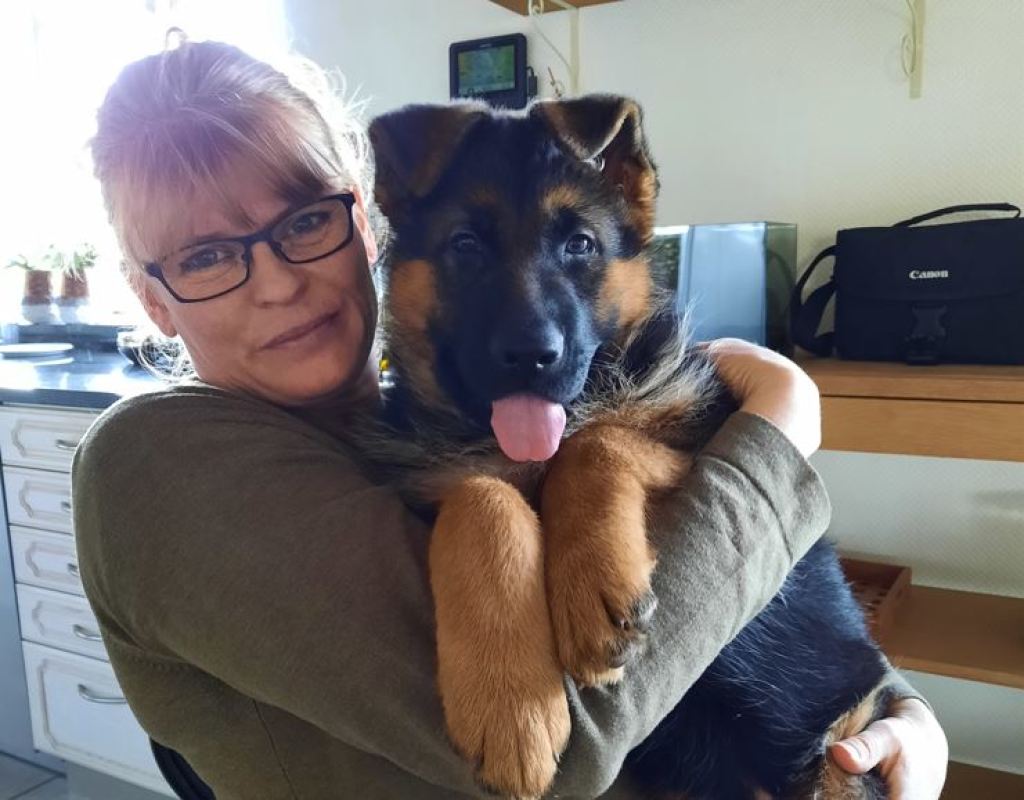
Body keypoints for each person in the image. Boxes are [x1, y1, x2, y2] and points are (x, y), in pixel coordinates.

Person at [73, 36, 948, 800]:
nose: (276, 282)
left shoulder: (410, 426)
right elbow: (560, 755)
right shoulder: (155, 466)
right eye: (207, 257)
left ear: (366, 226)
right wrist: (778, 432)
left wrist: (901, 715)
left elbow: (768, 598)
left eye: (304, 223)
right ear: (152, 299)